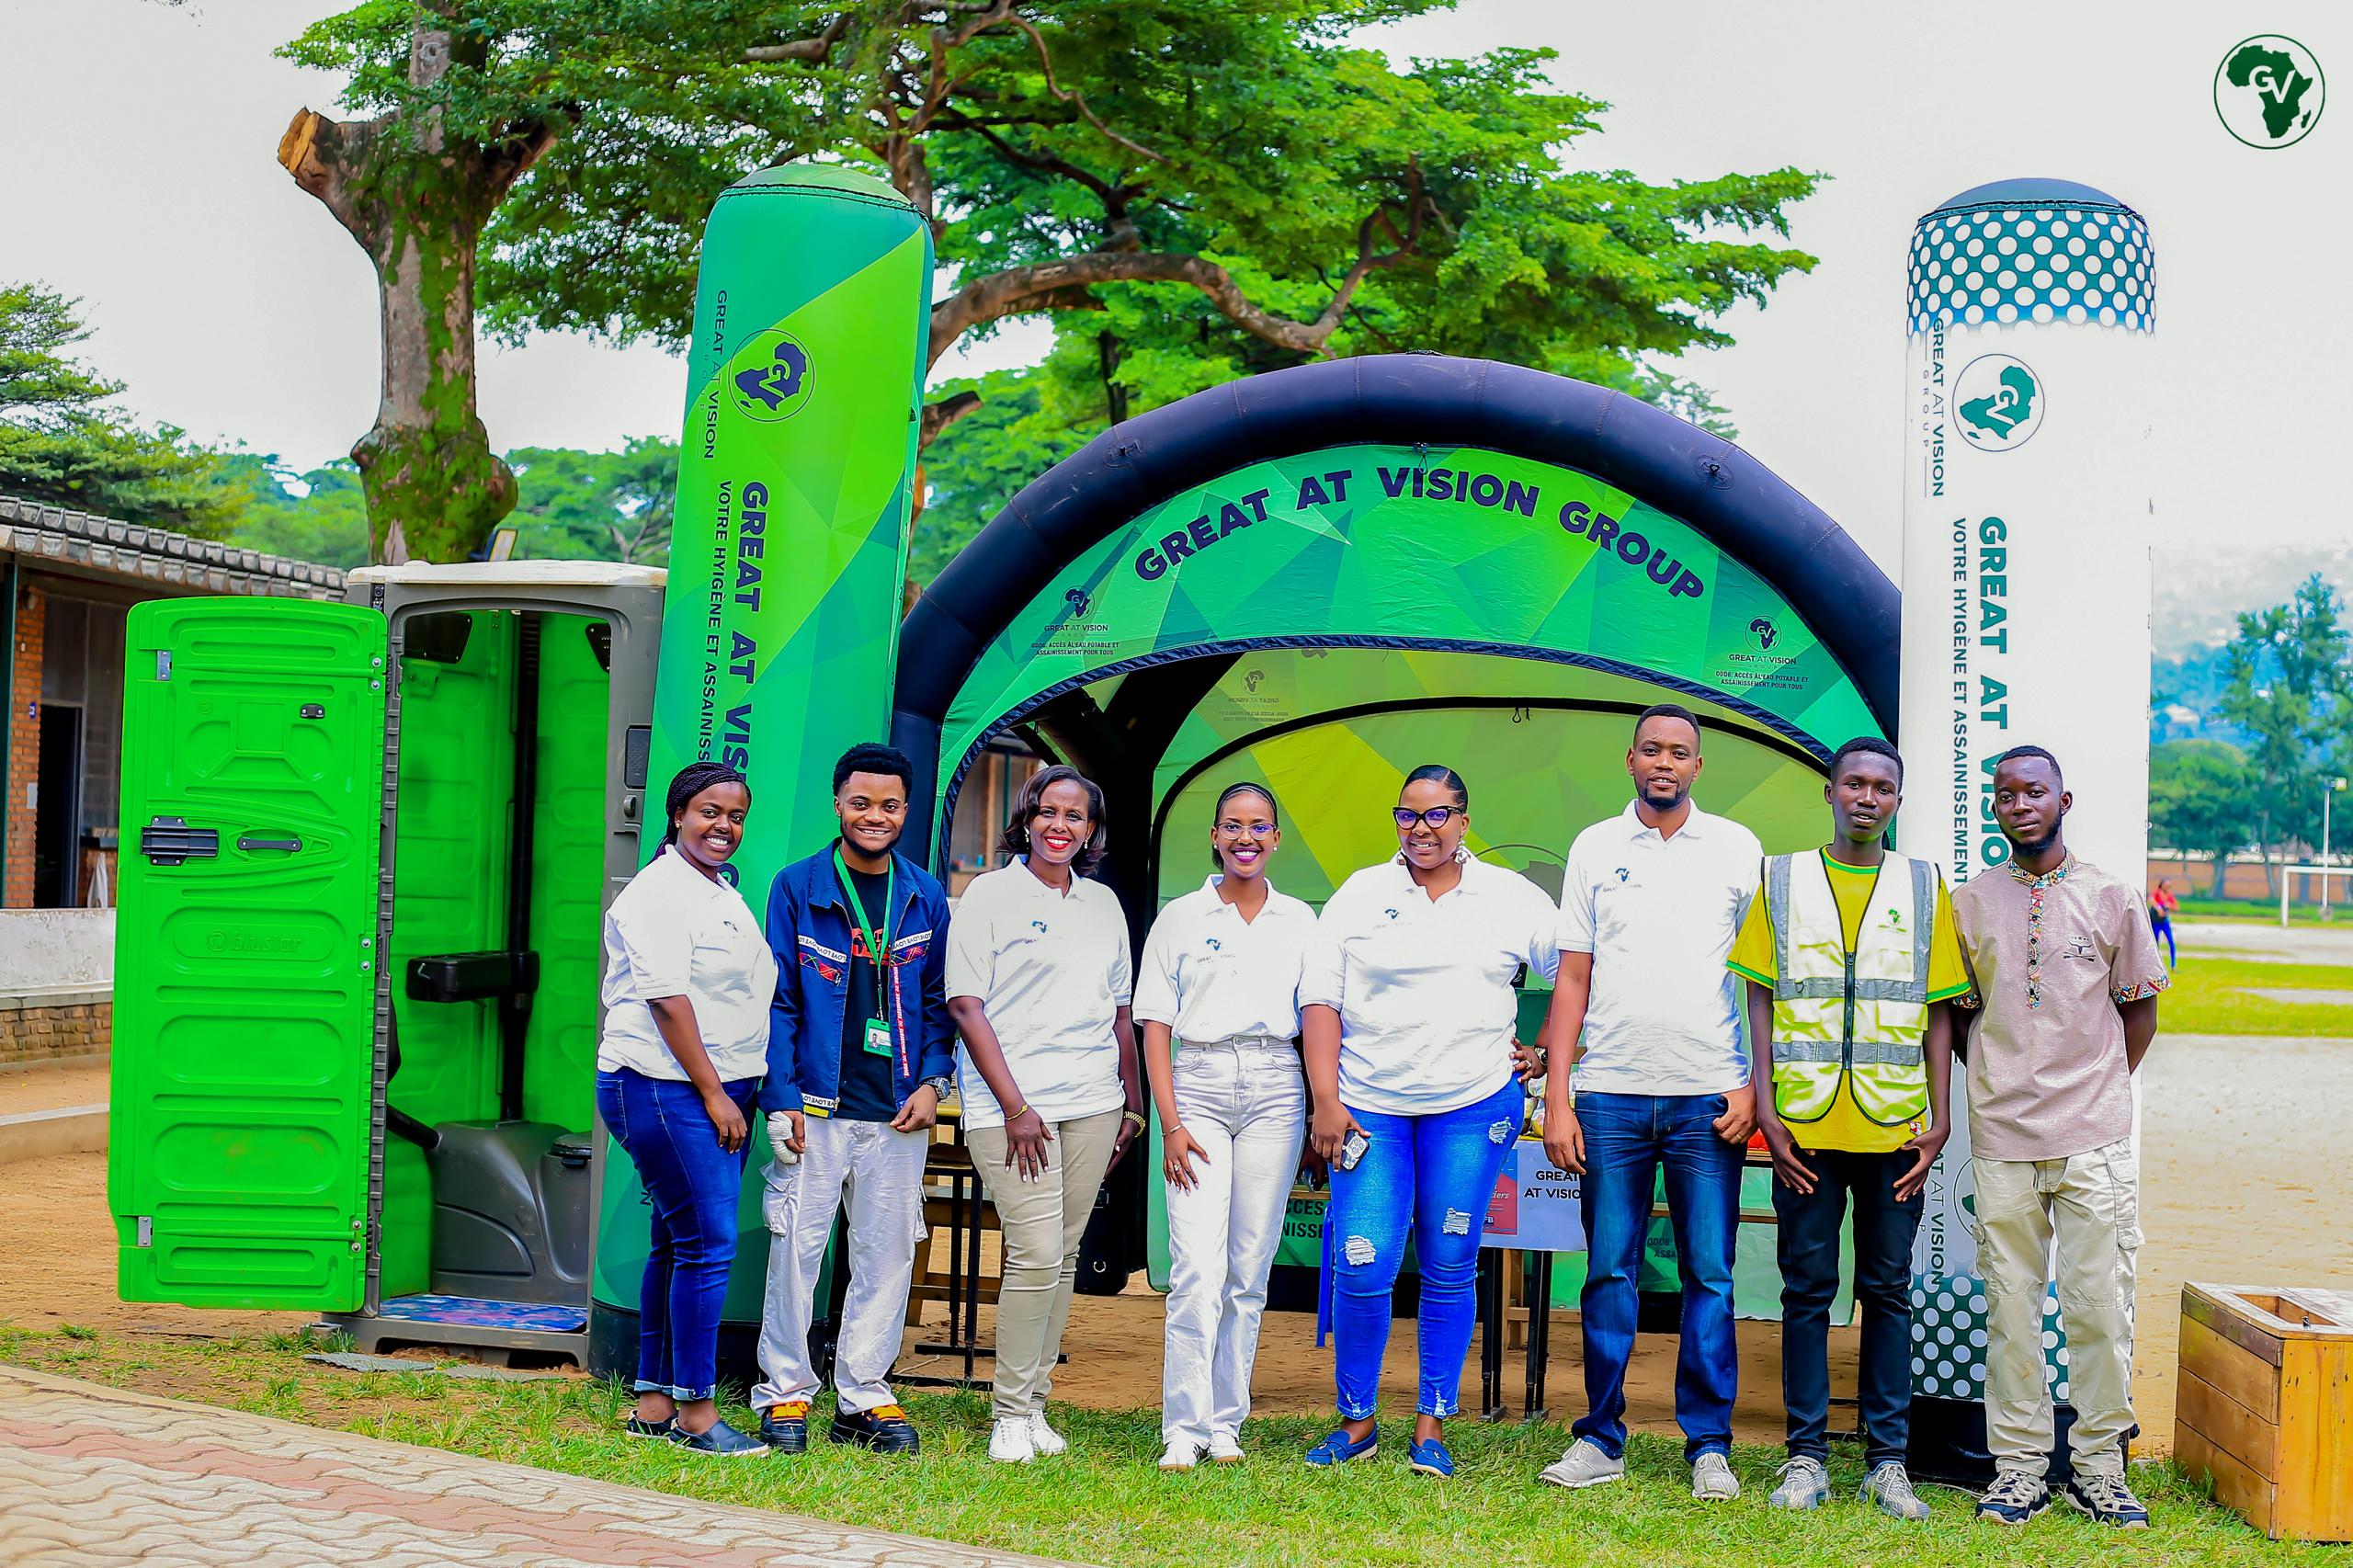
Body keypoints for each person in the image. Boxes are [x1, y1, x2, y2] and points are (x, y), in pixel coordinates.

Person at [1301, 765, 1563, 1480]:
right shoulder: (1360, 894)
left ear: (1464, 822)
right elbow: (1320, 1001)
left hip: (1472, 1106)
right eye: (1408, 815)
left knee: (1449, 1261)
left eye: (1438, 814)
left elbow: (1577, 970)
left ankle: (1431, 1425)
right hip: (1367, 1109)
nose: (1423, 829)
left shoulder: (1509, 896)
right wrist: (1325, 1099)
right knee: (1364, 1262)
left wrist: (1546, 1052)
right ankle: (1357, 1423)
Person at [1728, 736, 1968, 1518]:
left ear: (1898, 800)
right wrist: (1766, 1109)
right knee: (1806, 1293)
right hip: (1803, 1128)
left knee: (1888, 1293)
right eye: (1855, 784)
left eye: (1882, 788)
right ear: (1829, 792)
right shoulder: (1782, 878)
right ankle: (1805, 1458)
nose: (1868, 798)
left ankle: (1887, 1462)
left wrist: (1940, 1119)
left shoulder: (1924, 885)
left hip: (1896, 1131)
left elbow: (1940, 1010)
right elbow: (1760, 997)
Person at [1539, 704, 1763, 1502]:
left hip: (1710, 1096)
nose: (1665, 762)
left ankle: (1709, 1445)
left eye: (1680, 752)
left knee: (1711, 1274)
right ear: (1629, 760)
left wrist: (1752, 1085)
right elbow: (1572, 976)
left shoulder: (1736, 847)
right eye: (1652, 750)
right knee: (1608, 1271)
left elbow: (1760, 981)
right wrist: (1558, 1096)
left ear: (1698, 767)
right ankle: (1600, 1438)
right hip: (1609, 1097)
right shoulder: (1595, 847)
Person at [1951, 745, 2166, 1529]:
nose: (2020, 805)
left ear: (2063, 801)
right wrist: (2001, 1079)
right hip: (2002, 1136)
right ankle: (2018, 1471)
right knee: (2011, 1309)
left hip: (2092, 1137)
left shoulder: (2111, 896)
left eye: (2034, 792)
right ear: (1995, 808)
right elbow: (1960, 1020)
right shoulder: (1969, 903)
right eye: (2006, 795)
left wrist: (2095, 1087)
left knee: (2099, 1306)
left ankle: (2100, 1470)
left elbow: (2139, 1011)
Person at [749, 744, 956, 1457]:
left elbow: (938, 1002)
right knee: (796, 1252)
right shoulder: (797, 887)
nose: (875, 816)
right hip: (814, 1106)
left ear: (907, 811)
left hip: (898, 1110)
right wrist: (780, 1098)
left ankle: (863, 1395)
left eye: (890, 805)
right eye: (861, 803)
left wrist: (932, 1082)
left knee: (887, 1253)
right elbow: (777, 1000)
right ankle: (785, 1391)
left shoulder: (925, 895)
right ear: (838, 804)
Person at [945, 764, 1146, 1464]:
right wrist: (1016, 1107)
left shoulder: (1103, 904)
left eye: (1075, 815)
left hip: (1093, 1102)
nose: (1060, 826)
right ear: (1027, 819)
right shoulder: (989, 894)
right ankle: (1008, 1414)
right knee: (1033, 1254)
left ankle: (1034, 1405)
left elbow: (1120, 1013)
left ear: (1091, 829)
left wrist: (1133, 1105)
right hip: (1013, 1109)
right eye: (1048, 812)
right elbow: (965, 1005)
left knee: (1062, 1258)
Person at [595, 761, 775, 1458]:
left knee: (678, 1243)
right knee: (707, 1246)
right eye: (709, 812)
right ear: (677, 816)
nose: (724, 826)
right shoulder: (659, 892)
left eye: (736, 816)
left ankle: (653, 1406)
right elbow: (668, 1001)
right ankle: (697, 1417)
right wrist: (713, 1093)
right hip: (665, 1086)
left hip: (713, 1087)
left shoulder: (717, 888)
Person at [1136, 782, 1314, 1471]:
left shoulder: (1299, 920)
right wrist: (1170, 1122)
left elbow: (1318, 1017)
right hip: (1199, 1084)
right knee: (1196, 1269)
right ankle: (1183, 1426)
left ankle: (1225, 1422)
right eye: (1233, 826)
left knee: (1248, 1269)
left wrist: (1320, 1105)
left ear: (1276, 839)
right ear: (1214, 836)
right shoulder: (1180, 917)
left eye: (1259, 826)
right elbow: (1155, 1024)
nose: (1246, 838)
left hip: (1277, 1086)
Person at [2148, 878, 2177, 968]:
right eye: (2166, 885)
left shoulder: (2169, 895)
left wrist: (2169, 905)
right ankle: (2154, 965)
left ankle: (2173, 965)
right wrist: (2159, 908)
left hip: (2165, 922)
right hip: (2156, 922)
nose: (2168, 887)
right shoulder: (2157, 893)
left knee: (2171, 942)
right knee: (2156, 943)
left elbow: (2176, 907)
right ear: (2162, 885)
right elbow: (2151, 900)